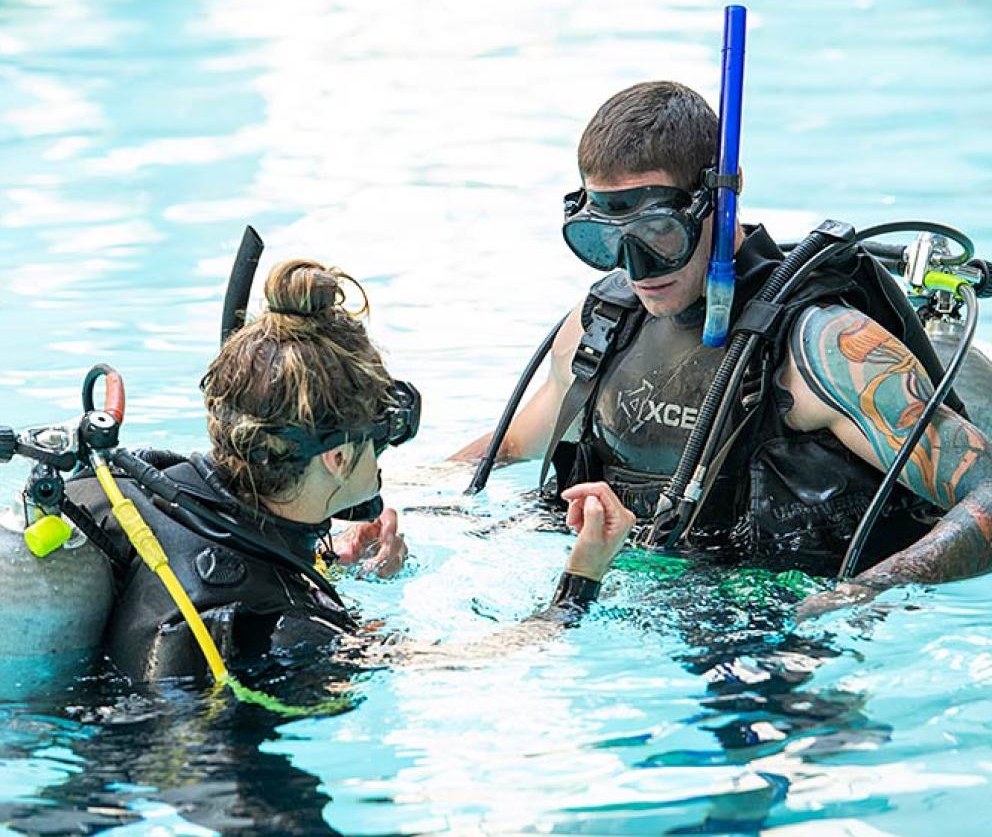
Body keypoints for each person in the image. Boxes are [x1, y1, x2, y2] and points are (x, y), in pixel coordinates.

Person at [454, 80, 992, 606]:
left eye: (659, 233)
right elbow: (510, 447)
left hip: (795, 616)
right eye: (608, 240)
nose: (636, 270)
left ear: (717, 200)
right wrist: (390, 494)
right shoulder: (603, 322)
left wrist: (864, 593)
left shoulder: (824, 349)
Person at [68, 259, 634, 682]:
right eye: (382, 437)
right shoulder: (288, 626)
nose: (383, 456)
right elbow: (473, 660)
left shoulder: (138, 480)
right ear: (337, 458)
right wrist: (580, 579)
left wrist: (328, 561)